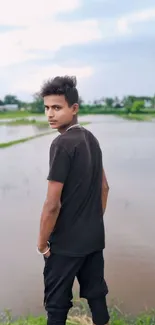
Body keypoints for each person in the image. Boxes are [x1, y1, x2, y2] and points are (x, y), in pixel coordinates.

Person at [37, 76, 110, 325]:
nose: (50, 114)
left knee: (56, 306)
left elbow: (52, 204)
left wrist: (41, 244)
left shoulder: (62, 144)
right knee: (97, 295)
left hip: (65, 245)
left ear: (74, 108)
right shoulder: (91, 139)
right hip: (93, 239)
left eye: (57, 107)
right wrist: (91, 221)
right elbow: (105, 188)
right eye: (46, 108)